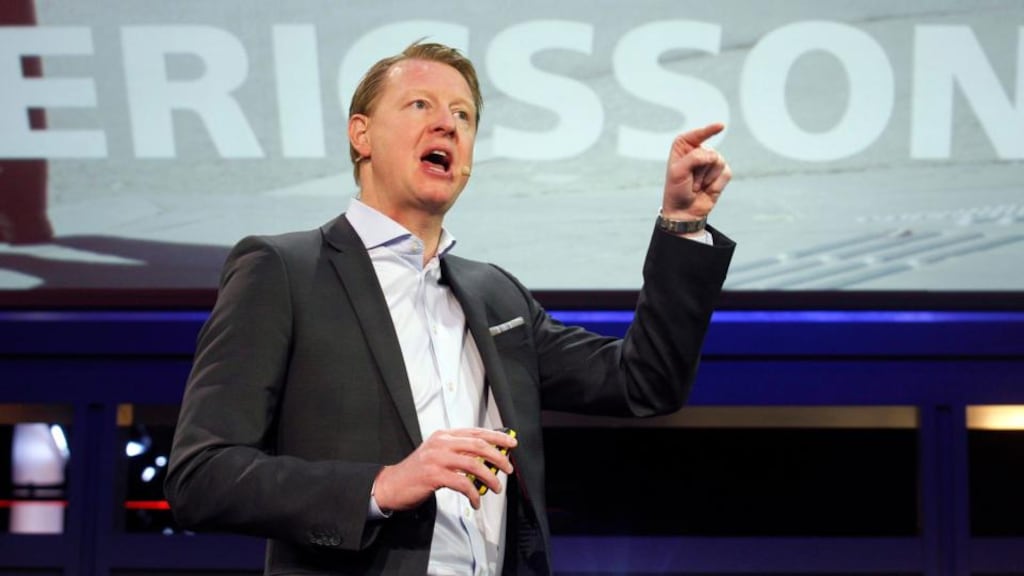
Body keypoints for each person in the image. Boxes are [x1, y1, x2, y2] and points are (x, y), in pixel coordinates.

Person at [165, 41, 735, 575]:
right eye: (420, 105)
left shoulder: (495, 295)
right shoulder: (285, 270)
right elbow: (201, 475)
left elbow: (645, 382)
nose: (448, 124)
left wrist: (683, 226)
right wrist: (381, 486)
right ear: (361, 134)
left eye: (463, 115)